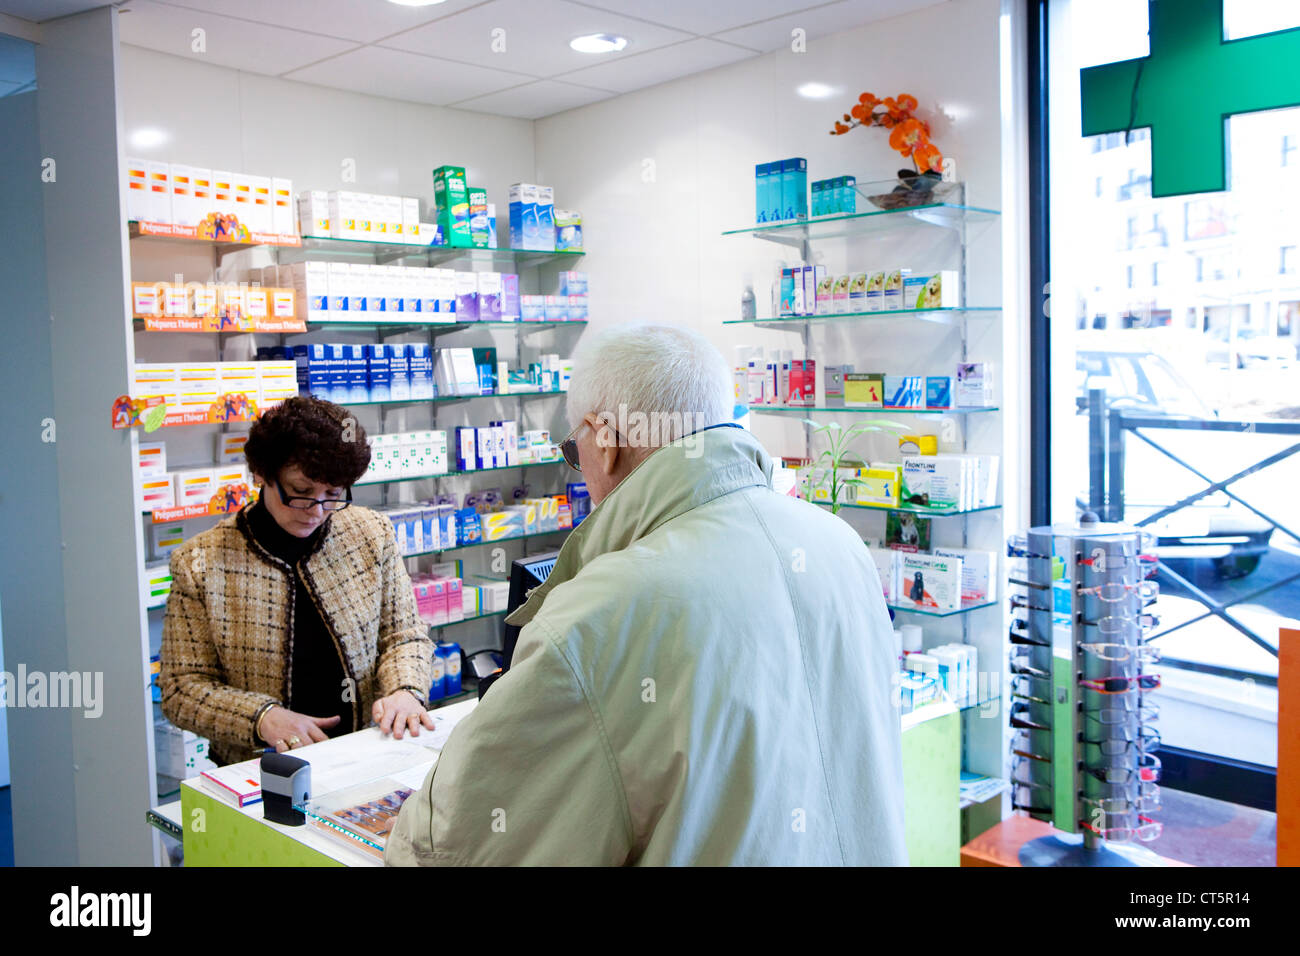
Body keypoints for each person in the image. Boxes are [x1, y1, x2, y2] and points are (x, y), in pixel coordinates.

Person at [386, 324, 907, 866]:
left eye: (573, 449)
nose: (580, 466)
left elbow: (457, 846)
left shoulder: (602, 611)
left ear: (604, 439)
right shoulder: (837, 543)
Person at [160, 396, 434, 766]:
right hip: (257, 769)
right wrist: (261, 717)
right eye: (301, 492)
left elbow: (404, 636)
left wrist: (405, 689)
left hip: (364, 753)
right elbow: (181, 689)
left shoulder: (370, 534)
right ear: (261, 474)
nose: (317, 511)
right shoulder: (201, 562)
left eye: (332, 494)